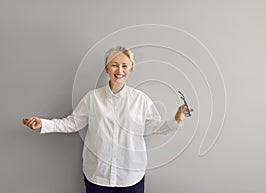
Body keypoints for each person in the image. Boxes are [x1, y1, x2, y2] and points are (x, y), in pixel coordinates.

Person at [23, 46, 193, 193]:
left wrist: (176, 119)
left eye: (124, 66)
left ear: (131, 69)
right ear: (106, 69)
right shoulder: (92, 98)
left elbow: (155, 127)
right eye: (114, 65)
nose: (119, 70)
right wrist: (44, 123)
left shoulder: (141, 100)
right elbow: (72, 123)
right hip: (98, 175)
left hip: (130, 176)